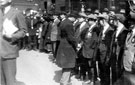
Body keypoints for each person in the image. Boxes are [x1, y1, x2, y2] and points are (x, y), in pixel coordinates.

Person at [0, 0, 27, 85]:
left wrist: (12, 36)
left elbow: (23, 31)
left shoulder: (17, 13)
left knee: (10, 81)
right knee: (1, 81)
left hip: (8, 51)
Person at [56, 12, 77, 85]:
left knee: (65, 64)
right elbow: (70, 37)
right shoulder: (69, 24)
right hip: (68, 46)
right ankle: (64, 81)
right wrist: (76, 44)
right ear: (73, 17)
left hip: (63, 44)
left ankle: (65, 80)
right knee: (68, 64)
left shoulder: (63, 22)